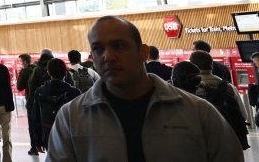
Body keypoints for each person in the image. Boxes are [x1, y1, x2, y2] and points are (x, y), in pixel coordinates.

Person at [47, 15, 243, 162]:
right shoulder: (70, 118)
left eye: (119, 46)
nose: (108, 56)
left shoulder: (198, 113)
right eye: (98, 49)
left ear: (143, 52)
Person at [189, 50, 249, 150]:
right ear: (212, 66)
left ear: (192, 66)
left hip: (201, 142)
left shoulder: (190, 89)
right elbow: (243, 115)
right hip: (227, 141)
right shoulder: (228, 87)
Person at [35, 58, 80, 146]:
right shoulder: (75, 92)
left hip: (48, 135)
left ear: (48, 73)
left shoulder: (40, 92)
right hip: (70, 135)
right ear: (65, 73)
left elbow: (36, 117)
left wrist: (37, 141)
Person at [26, 49, 55, 155]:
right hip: (56, 107)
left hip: (39, 106)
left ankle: (35, 146)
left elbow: (31, 89)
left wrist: (31, 106)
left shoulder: (36, 70)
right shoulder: (55, 67)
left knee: (36, 126)